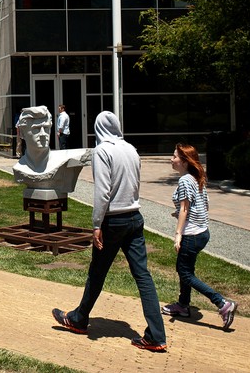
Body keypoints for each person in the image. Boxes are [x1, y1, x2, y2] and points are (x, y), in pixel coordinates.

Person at [52, 111, 167, 352]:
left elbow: (102, 191)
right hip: (135, 217)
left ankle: (78, 319)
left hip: (112, 221)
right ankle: (156, 335)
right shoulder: (132, 150)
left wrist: (96, 224)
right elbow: (134, 185)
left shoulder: (103, 151)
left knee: (97, 272)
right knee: (143, 277)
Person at [162, 143, 238, 330]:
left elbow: (185, 208)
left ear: (184, 162)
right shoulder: (197, 178)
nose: (171, 159)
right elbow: (202, 206)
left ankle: (222, 303)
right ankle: (183, 305)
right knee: (186, 269)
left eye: (174, 157)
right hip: (202, 232)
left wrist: (178, 234)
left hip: (192, 234)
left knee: (185, 272)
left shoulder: (186, 180)